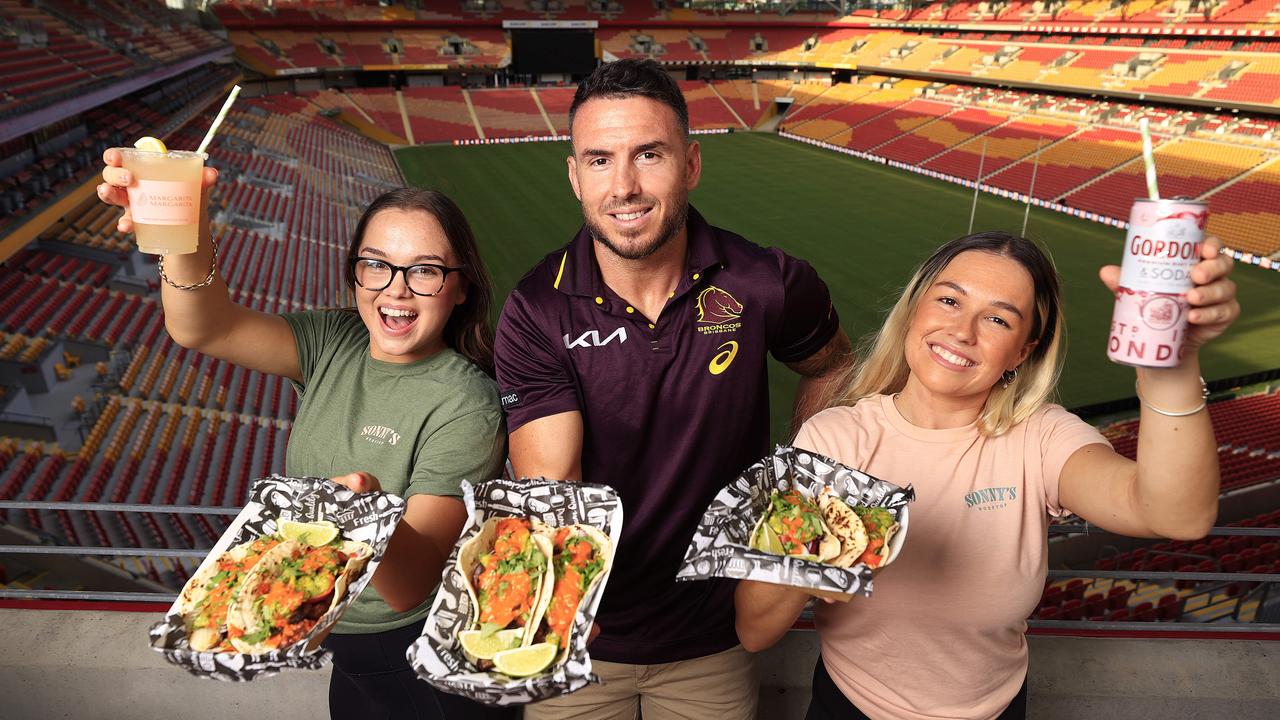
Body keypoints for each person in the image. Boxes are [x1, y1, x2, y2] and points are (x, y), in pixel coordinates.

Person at [734, 230, 1240, 720]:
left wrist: (1172, 368)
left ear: (1023, 350)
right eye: (950, 301)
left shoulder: (1041, 437)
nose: (962, 331)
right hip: (848, 708)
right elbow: (754, 631)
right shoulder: (834, 439)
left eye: (998, 319)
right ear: (915, 307)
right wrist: (803, 567)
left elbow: (1178, 515)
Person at [493, 58, 852, 720]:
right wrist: (561, 603)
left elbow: (832, 365)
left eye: (648, 155)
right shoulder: (537, 309)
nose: (624, 185)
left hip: (714, 640)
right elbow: (552, 481)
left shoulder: (766, 282)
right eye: (599, 160)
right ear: (574, 176)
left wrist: (794, 488)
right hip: (584, 644)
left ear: (690, 164)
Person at [96, 162, 512, 720]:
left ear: (460, 286)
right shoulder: (334, 341)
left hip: (417, 657)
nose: (397, 290)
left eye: (425, 271)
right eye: (377, 266)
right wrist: (181, 229)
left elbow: (409, 588)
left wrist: (361, 514)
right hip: (339, 641)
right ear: (354, 273)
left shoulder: (469, 402)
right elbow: (202, 327)